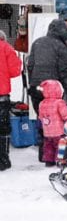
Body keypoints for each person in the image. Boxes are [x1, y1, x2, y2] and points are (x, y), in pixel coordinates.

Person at [27, 19, 67, 162]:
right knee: (56, 122)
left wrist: (34, 84)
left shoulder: (37, 43)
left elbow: (30, 66)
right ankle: (55, 154)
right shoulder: (61, 47)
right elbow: (64, 72)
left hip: (36, 88)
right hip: (53, 91)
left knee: (43, 120)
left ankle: (43, 153)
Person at [0, 30, 22, 171]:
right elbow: (15, 71)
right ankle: (3, 160)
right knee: (3, 129)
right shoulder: (5, 47)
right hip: (1, 95)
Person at [38, 80, 67, 167]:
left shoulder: (42, 103)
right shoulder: (59, 102)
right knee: (59, 146)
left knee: (48, 146)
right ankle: (60, 160)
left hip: (47, 131)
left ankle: (48, 161)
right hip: (58, 131)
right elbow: (65, 115)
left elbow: (41, 117)